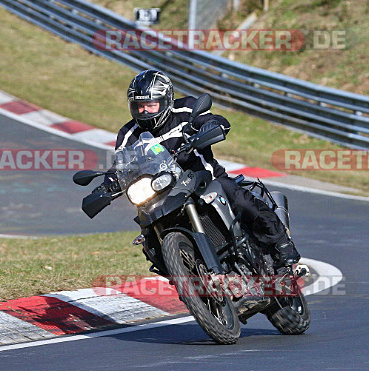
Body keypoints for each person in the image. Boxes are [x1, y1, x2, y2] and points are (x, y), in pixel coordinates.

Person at [103, 69, 300, 273]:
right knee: (148, 236)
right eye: (139, 106)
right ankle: (184, 277)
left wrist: (211, 127)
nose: (145, 112)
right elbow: (120, 164)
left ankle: (282, 243)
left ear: (166, 100)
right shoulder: (128, 133)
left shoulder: (186, 109)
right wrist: (107, 183)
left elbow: (214, 121)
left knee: (238, 197)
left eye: (151, 105)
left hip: (205, 180)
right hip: (163, 194)